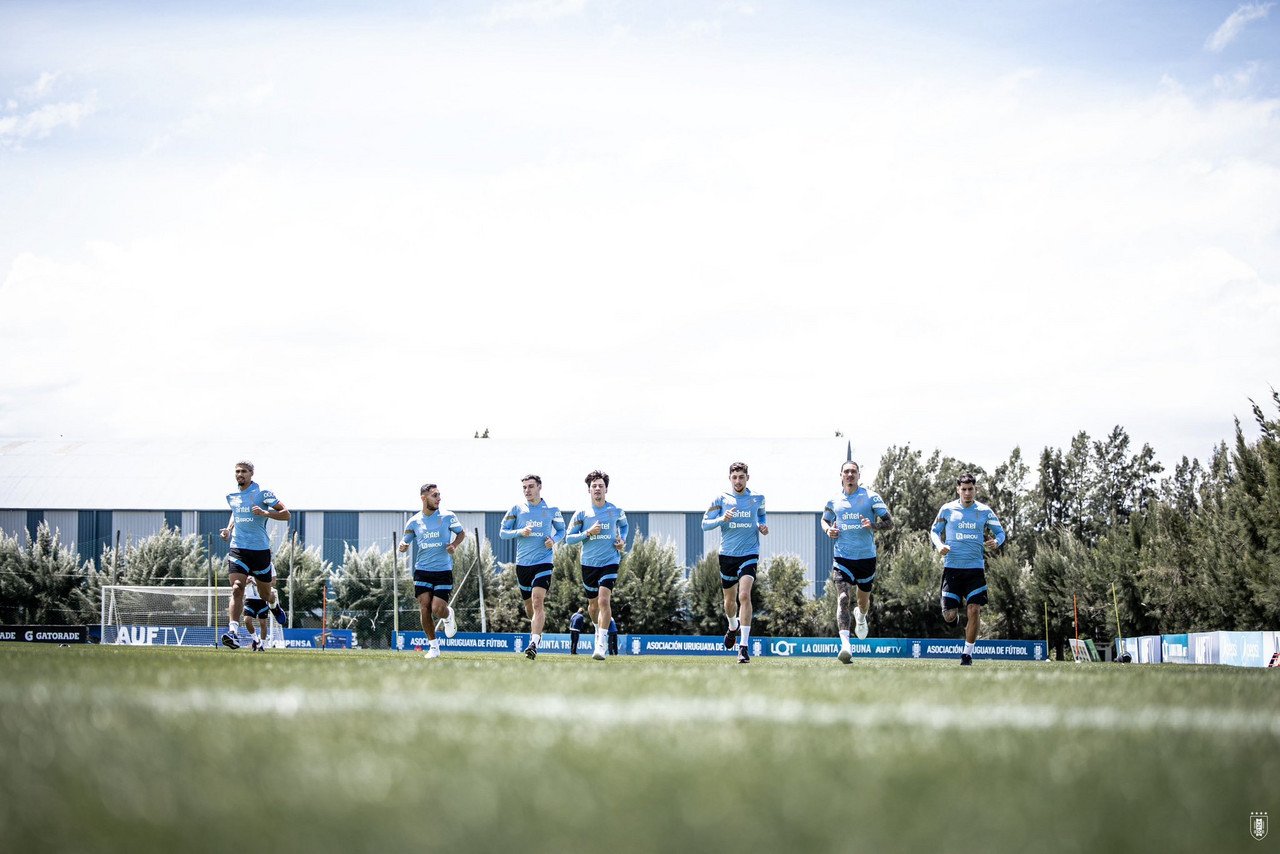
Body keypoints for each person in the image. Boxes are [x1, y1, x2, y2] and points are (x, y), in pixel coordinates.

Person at [930, 473, 1007, 666]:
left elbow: (1001, 532)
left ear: (975, 489)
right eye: (963, 489)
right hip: (952, 569)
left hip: (975, 570)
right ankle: (951, 615)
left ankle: (967, 654)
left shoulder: (984, 511)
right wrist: (940, 546)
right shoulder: (947, 509)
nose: (967, 493)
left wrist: (996, 542)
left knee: (974, 610)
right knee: (949, 616)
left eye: (970, 489)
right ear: (958, 490)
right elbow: (934, 531)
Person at [821, 460, 894, 663]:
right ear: (841, 475)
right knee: (843, 598)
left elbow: (890, 523)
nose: (850, 475)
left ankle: (860, 617)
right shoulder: (834, 499)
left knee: (862, 602)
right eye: (846, 472)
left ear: (859, 475)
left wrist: (873, 525)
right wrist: (828, 530)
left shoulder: (871, 497)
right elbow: (824, 519)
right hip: (842, 557)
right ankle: (846, 646)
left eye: (853, 472)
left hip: (866, 558)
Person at [702, 461, 768, 664]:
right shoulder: (720, 499)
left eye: (741, 477)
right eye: (734, 477)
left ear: (748, 477)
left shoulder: (758, 498)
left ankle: (743, 647)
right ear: (729, 478)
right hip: (727, 555)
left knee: (745, 595)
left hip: (749, 553)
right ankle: (732, 627)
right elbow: (705, 524)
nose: (738, 481)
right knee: (729, 602)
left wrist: (762, 526)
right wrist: (722, 519)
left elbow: (761, 516)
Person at [220, 461, 290, 650]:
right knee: (236, 588)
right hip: (238, 549)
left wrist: (265, 512)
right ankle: (232, 632)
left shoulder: (263, 494)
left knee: (266, 594)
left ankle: (274, 605)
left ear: (252, 474)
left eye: (244, 471)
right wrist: (228, 530)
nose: (239, 474)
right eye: (237, 471)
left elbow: (286, 514)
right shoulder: (232, 496)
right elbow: (236, 513)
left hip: (259, 551)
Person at [499, 474, 565, 660]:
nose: (527, 490)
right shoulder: (516, 509)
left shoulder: (552, 510)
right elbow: (502, 533)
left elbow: (562, 530)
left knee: (538, 601)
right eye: (524, 487)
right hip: (522, 565)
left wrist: (554, 540)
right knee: (530, 608)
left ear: (539, 487)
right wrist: (520, 531)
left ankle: (533, 643)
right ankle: (537, 632)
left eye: (530, 486)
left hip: (544, 561)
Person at [565, 470, 628, 662]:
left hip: (610, 561)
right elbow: (569, 539)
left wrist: (622, 540)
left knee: (603, 601)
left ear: (606, 489)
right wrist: (588, 532)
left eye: (601, 485)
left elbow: (624, 526)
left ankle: (601, 644)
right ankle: (597, 627)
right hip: (588, 564)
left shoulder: (616, 511)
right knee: (593, 606)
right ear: (589, 490)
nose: (598, 489)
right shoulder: (582, 514)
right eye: (594, 486)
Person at [399, 483, 466, 660]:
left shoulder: (448, 516)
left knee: (438, 608)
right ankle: (434, 647)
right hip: (422, 570)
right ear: (424, 498)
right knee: (425, 607)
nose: (438, 498)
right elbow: (405, 541)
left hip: (443, 570)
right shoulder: (413, 521)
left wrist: (454, 545)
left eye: (439, 495)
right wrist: (403, 546)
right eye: (434, 495)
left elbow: (461, 533)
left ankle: (448, 614)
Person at [242, 578, 271, 652]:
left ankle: (262, 645)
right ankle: (255, 639)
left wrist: (258, 583)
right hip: (249, 600)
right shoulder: (247, 570)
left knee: (263, 623)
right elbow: (240, 583)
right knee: (247, 620)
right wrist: (247, 581)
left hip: (262, 600)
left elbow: (270, 583)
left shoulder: (262, 571)